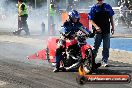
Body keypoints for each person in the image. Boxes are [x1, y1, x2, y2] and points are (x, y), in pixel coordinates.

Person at [88, 0, 115, 67]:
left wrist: (113, 27)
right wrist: (96, 27)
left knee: (106, 47)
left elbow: (111, 17)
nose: (100, 1)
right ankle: (91, 61)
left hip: (106, 30)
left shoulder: (108, 6)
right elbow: (90, 20)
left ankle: (104, 61)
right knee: (96, 47)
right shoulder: (93, 8)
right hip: (98, 31)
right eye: (98, 0)